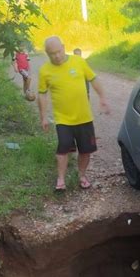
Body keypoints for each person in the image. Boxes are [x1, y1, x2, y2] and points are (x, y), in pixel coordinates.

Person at [38, 36, 110, 191]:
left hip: (84, 117)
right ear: (47, 53)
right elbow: (42, 94)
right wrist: (43, 116)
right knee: (63, 149)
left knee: (85, 150)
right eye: (52, 54)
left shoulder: (78, 62)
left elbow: (93, 79)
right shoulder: (45, 71)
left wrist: (102, 97)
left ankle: (82, 176)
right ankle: (61, 180)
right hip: (63, 119)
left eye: (58, 52)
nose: (56, 56)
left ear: (63, 47)